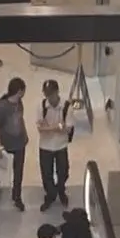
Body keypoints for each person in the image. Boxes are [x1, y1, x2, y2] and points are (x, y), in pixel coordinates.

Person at [0, 77, 29, 210]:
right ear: (19, 91)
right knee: (0, 166)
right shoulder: (1, 106)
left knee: (18, 171)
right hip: (5, 141)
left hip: (19, 141)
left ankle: (17, 195)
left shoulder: (19, 103)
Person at [36, 78, 74, 211]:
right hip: (45, 146)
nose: (49, 97)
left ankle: (61, 191)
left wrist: (49, 127)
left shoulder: (66, 106)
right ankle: (50, 195)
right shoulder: (42, 106)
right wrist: (57, 127)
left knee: (63, 171)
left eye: (51, 94)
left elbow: (68, 128)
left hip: (61, 145)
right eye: (46, 94)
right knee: (46, 173)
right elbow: (40, 128)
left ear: (57, 92)